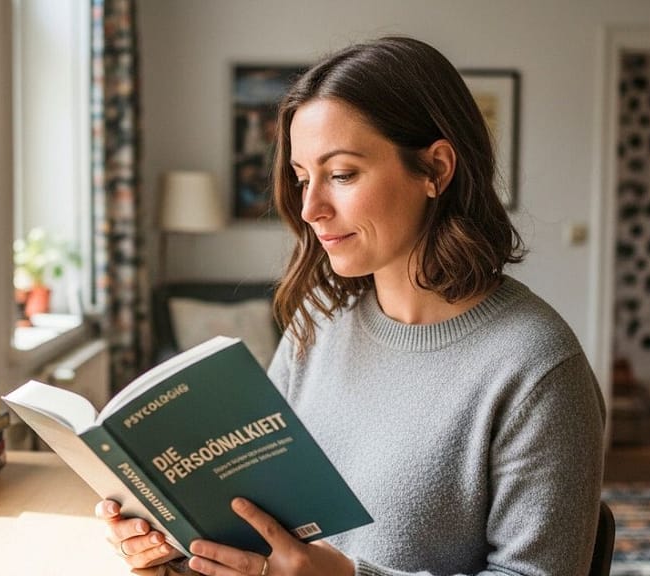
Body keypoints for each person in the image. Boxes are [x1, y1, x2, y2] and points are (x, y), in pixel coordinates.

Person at [97, 36, 605, 576]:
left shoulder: (538, 367)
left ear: (435, 169)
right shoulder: (319, 321)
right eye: (301, 178)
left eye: (340, 174)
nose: (311, 208)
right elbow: (262, 520)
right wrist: (178, 541)